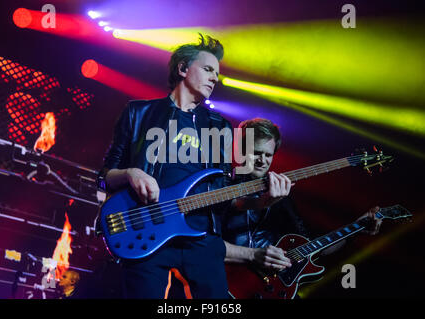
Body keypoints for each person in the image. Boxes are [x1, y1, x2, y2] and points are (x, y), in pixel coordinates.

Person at [98, 34, 269, 299]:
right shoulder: (139, 113)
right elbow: (104, 177)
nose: (215, 78)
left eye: (217, 73)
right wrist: (132, 173)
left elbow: (223, 195)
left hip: (201, 237)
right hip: (147, 231)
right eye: (208, 69)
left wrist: (264, 200)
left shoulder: (219, 127)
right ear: (182, 69)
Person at [222, 118, 383, 277]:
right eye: (256, 153)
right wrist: (251, 254)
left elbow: (313, 246)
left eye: (268, 155)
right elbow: (203, 243)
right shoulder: (221, 185)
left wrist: (356, 227)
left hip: (266, 288)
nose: (262, 161)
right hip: (223, 282)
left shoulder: (282, 196)